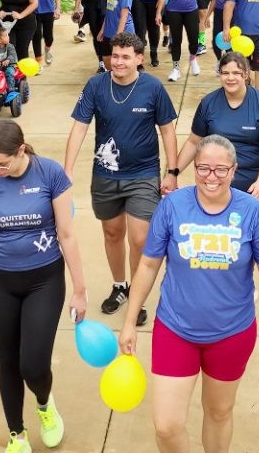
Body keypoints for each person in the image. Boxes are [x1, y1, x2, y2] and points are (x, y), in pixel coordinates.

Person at [119, 135, 259, 453]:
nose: (211, 177)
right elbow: (147, 265)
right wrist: (130, 320)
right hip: (175, 330)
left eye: (220, 169)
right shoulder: (172, 206)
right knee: (167, 426)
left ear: (234, 169)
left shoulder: (253, 213)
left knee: (219, 412)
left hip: (231, 333)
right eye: (203, 168)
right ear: (194, 168)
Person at [0, 121, 89, 453]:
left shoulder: (50, 174)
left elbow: (67, 234)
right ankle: (16, 433)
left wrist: (79, 288)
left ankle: (44, 404)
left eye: (1, 163)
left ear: (21, 150)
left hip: (43, 280)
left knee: (33, 363)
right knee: (8, 360)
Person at [64, 31, 180, 326]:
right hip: (105, 174)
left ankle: (137, 299)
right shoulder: (95, 85)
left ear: (139, 59)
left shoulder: (152, 88)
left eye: (126, 57)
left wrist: (172, 171)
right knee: (113, 234)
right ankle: (120, 286)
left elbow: (168, 130)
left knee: (140, 239)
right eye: (115, 56)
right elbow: (79, 127)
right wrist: (66, 171)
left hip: (143, 174)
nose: (118, 62)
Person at [170, 51, 259, 207]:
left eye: (236, 73)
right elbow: (194, 142)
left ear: (245, 74)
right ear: (220, 74)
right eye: (225, 73)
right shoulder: (208, 103)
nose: (230, 78)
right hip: (215, 188)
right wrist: (173, 173)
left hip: (255, 190)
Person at [208, 0, 239, 64]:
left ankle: (229, 62)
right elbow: (214, 0)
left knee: (230, 40)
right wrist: (208, 16)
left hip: (232, 15)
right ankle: (219, 61)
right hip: (218, 13)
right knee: (215, 39)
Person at [0, 26, 24, 97]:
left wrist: (8, 60)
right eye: (6, 35)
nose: (8, 37)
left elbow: (12, 55)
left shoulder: (10, 46)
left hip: (9, 66)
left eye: (8, 35)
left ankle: (10, 89)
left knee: (9, 72)